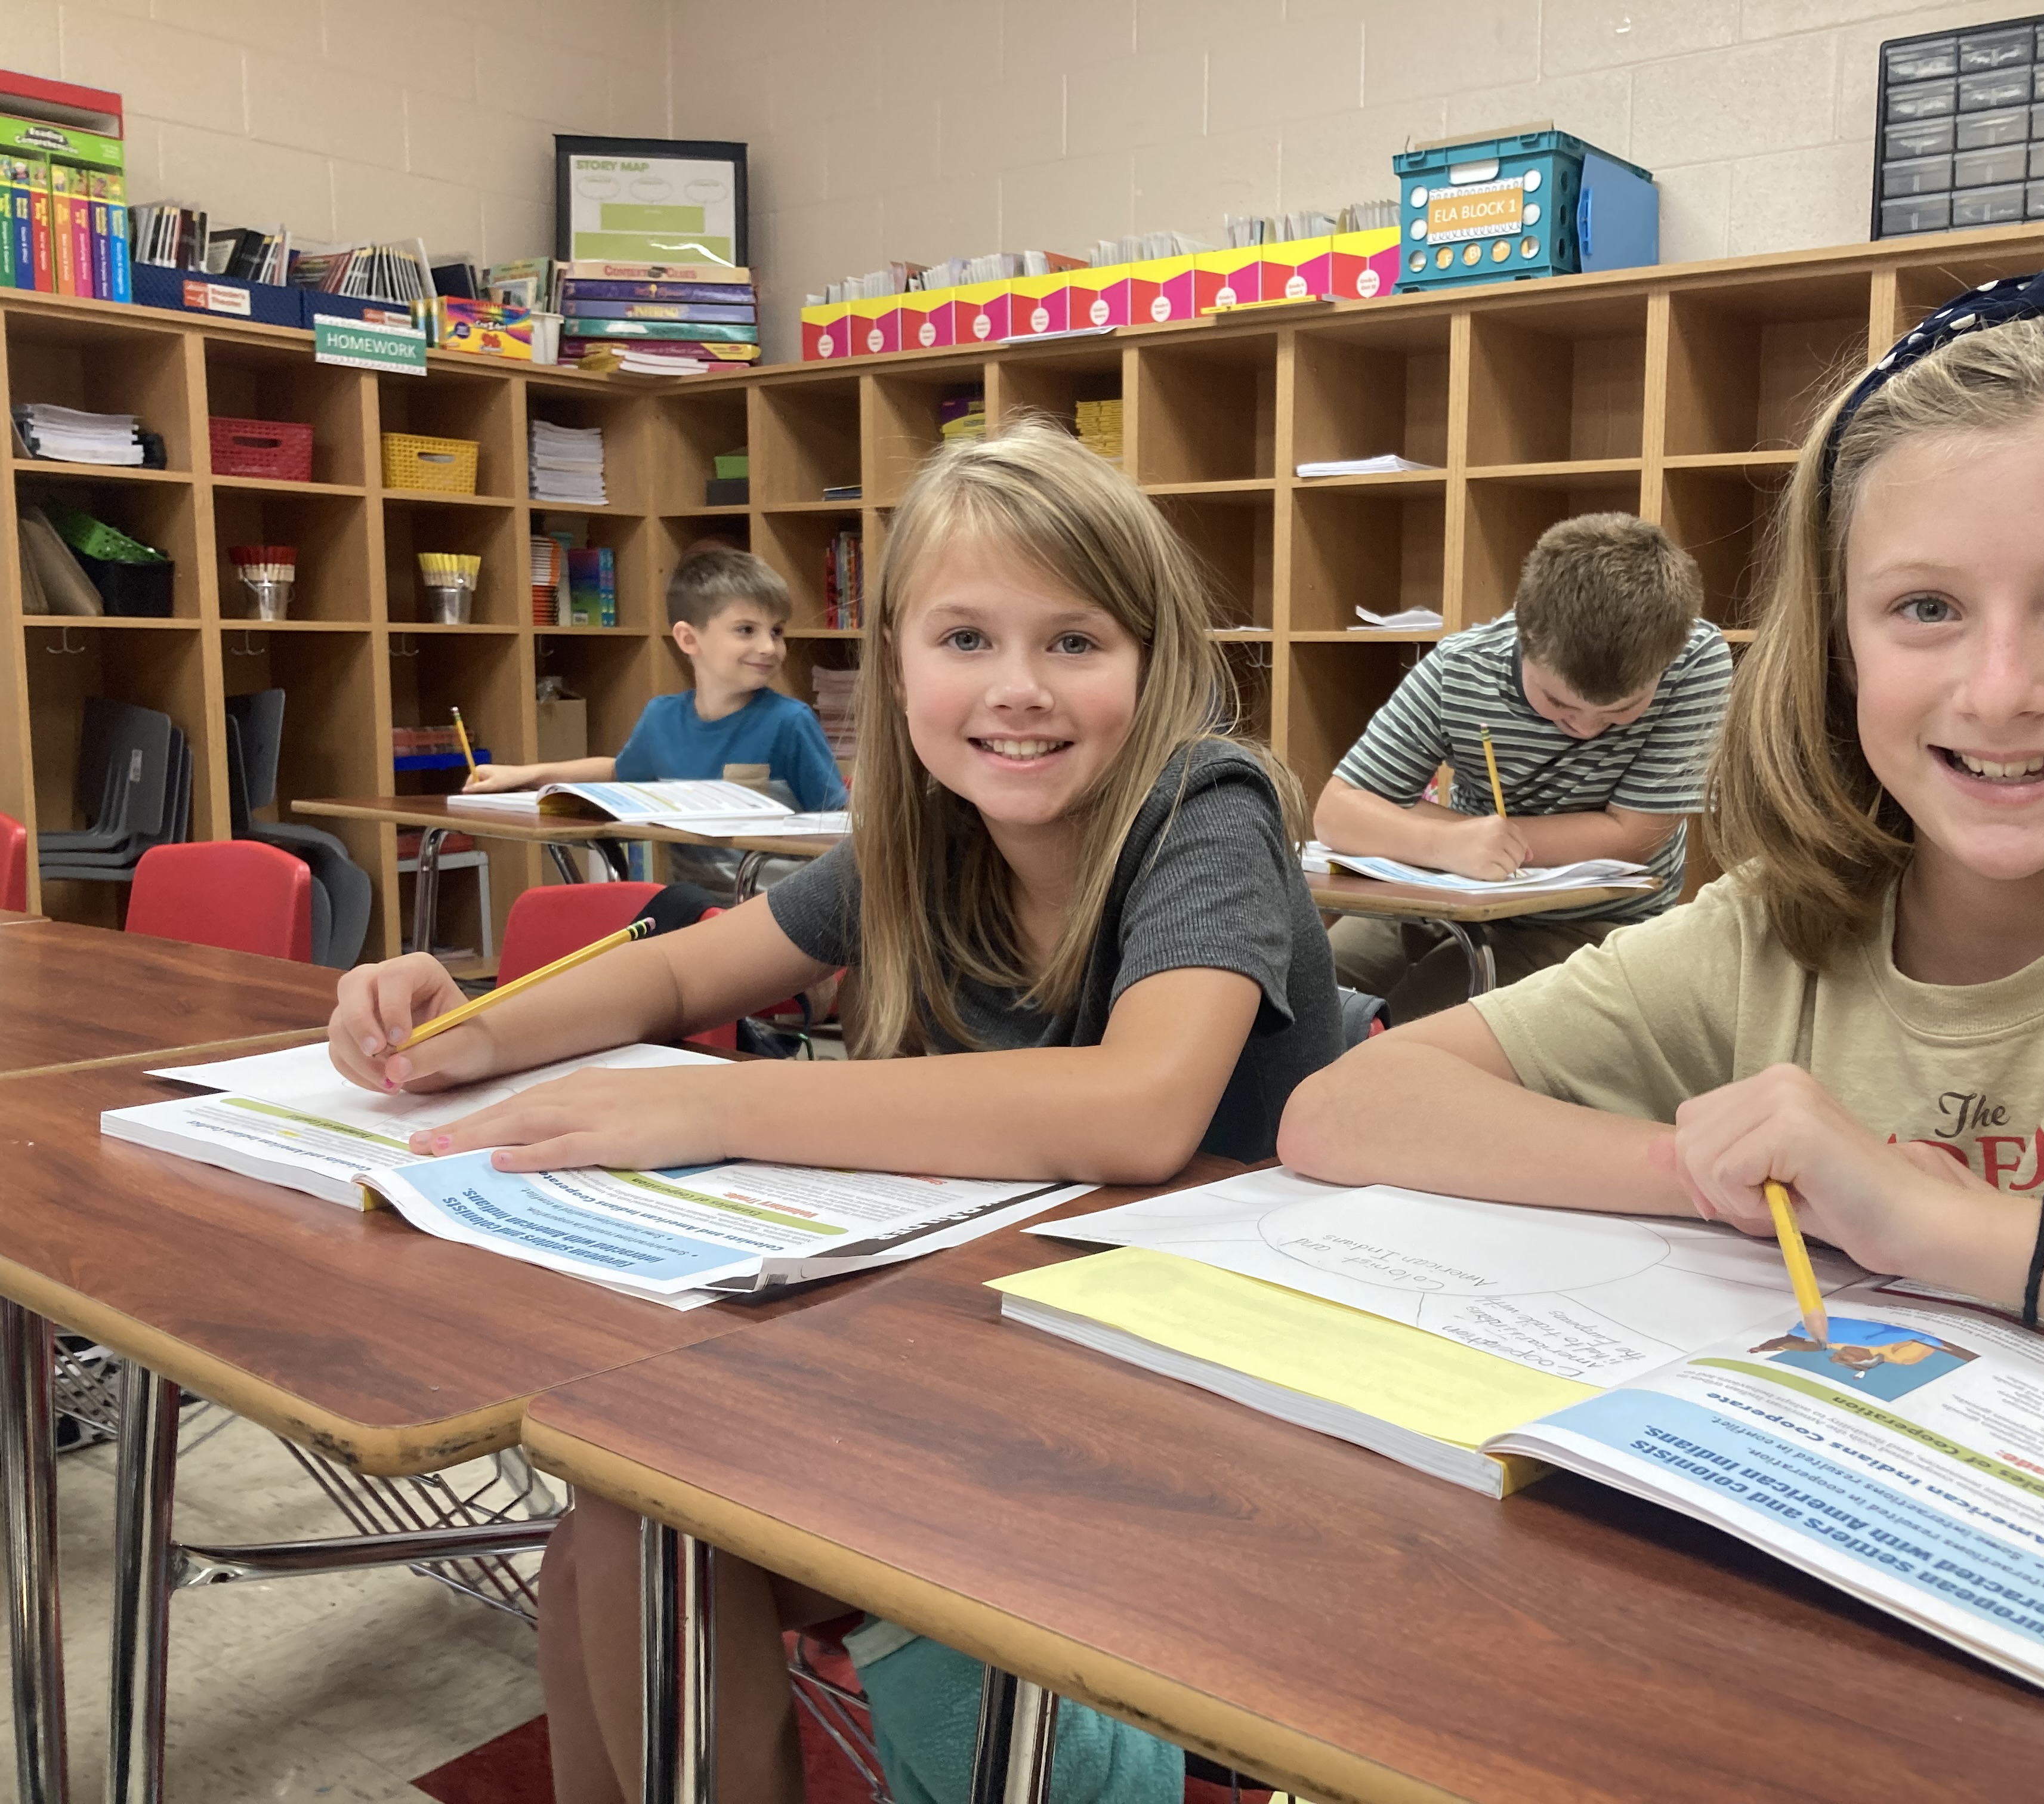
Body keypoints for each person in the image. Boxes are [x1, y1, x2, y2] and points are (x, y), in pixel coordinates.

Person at [327, 421, 1345, 1803]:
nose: (1019, 690)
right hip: (990, 1330)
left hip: (1202, 1387)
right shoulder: (921, 835)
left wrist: (728, 1104)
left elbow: (1140, 1108)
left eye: (1076, 642)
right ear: (896, 665)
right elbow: (684, 963)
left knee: (652, 1516)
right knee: (618, 1520)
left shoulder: (1202, 808)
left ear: (1154, 663)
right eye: (966, 640)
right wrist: (461, 1031)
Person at [1278, 268, 2044, 1441]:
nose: (2003, 690)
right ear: (1840, 644)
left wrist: (1943, 1227)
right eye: (1926, 608)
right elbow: (1346, 1111)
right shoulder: (1775, 926)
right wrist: (1726, 1172)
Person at [1314, 512, 1731, 1019]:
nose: (1586, 728)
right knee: (1303, 1001)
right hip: (1447, 890)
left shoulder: (1697, 659)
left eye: (1621, 711)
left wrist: (1434, 826)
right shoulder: (1461, 668)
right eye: (1558, 704)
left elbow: (1636, 836)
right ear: (1521, 630)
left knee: (1401, 1029)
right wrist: (1449, 845)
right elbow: (1337, 813)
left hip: (1590, 923)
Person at [465, 546, 847, 906]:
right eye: (747, 630)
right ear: (688, 638)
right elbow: (620, 772)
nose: (770, 647)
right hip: (693, 911)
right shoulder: (661, 718)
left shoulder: (790, 721)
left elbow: (838, 824)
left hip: (779, 913)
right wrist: (523, 775)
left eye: (777, 631)